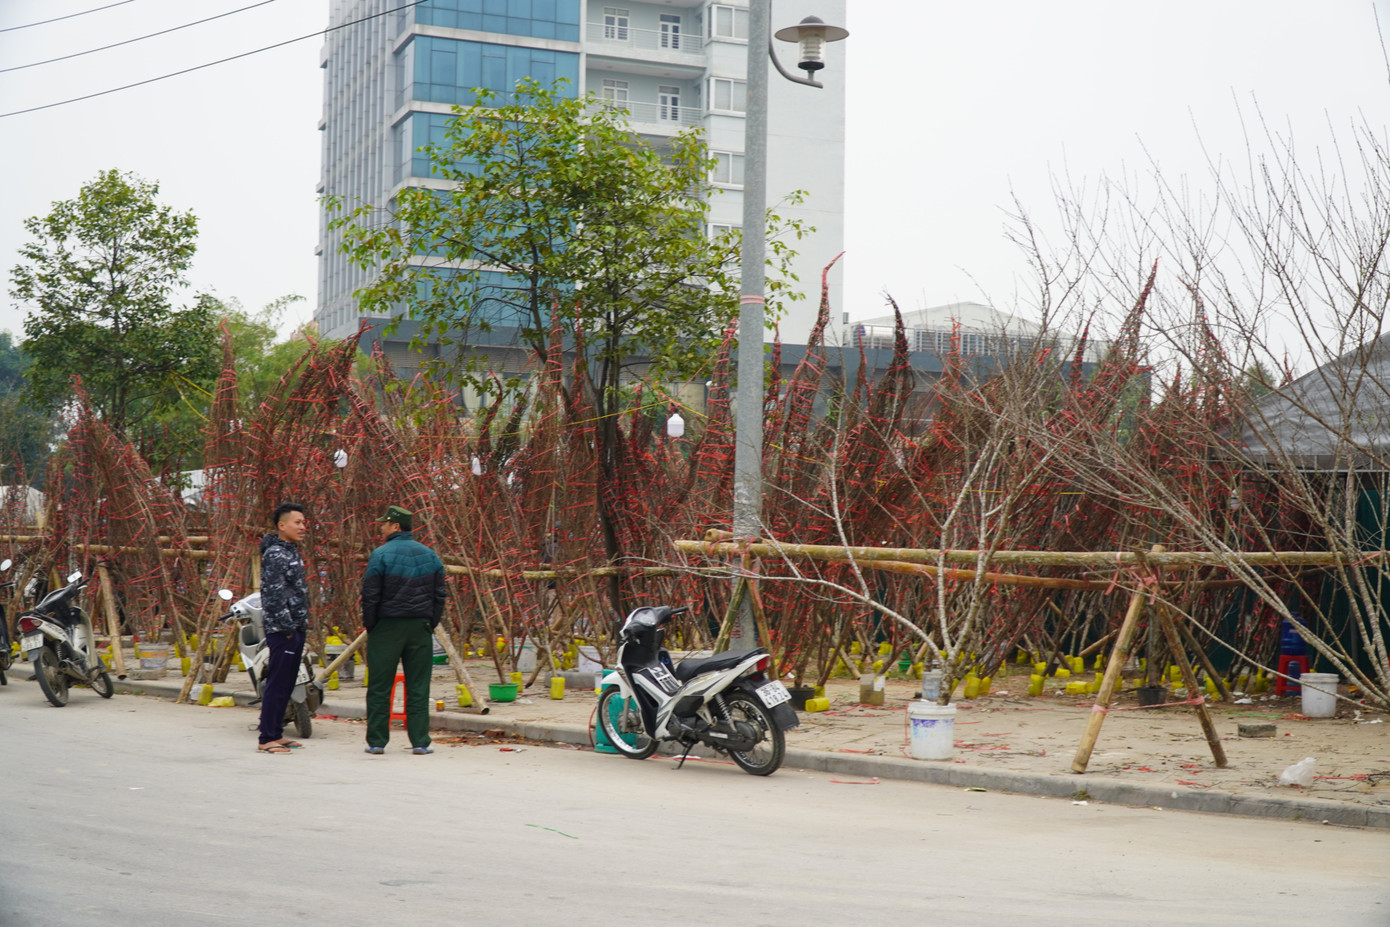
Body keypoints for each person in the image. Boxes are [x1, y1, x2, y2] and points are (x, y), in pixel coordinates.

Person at [361, 505, 447, 755]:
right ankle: (420, 741)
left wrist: (371, 625)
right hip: (420, 627)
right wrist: (430, 622)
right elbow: (439, 594)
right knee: (418, 685)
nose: (381, 528)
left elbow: (370, 594)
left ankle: (377, 742)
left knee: (380, 685)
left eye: (385, 524)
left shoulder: (380, 555)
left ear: (395, 526)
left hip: (387, 626)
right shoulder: (430, 555)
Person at [257, 502, 311, 755]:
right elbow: (273, 595)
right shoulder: (276, 554)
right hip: (283, 630)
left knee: (287, 683)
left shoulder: (291, 551)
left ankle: (277, 733)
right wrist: (287, 627)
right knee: (277, 683)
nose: (303, 527)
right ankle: (267, 737)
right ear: (282, 525)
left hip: (295, 627)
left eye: (303, 523)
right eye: (297, 523)